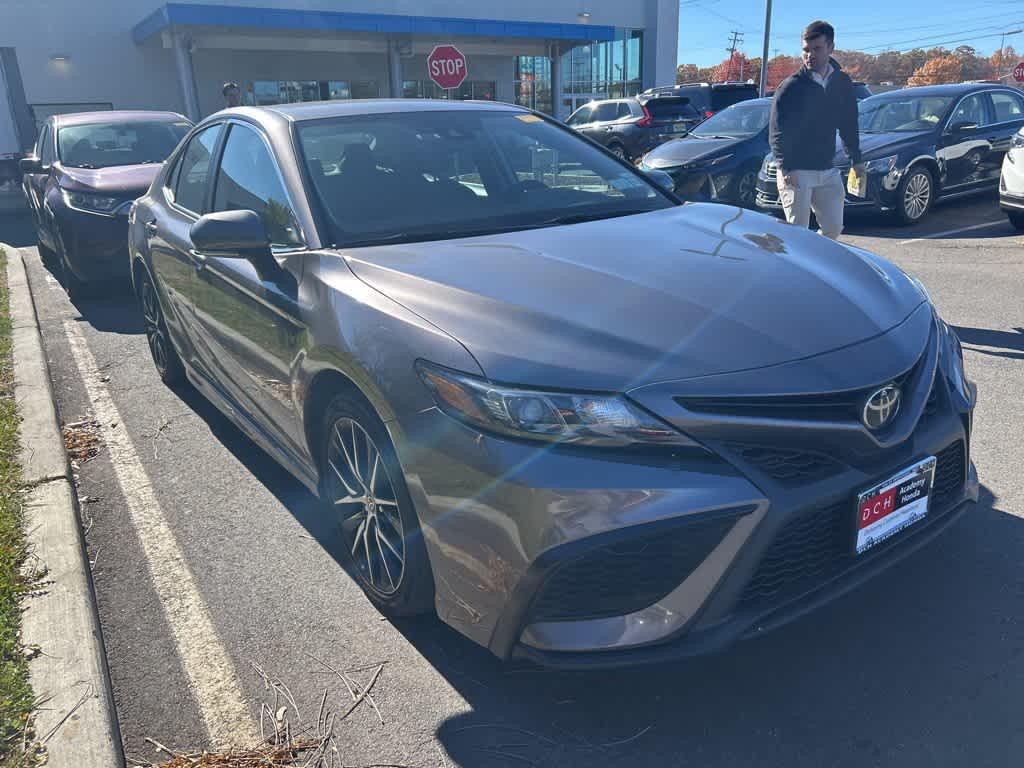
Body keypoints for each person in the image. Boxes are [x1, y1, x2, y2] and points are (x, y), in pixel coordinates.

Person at [769, 20, 863, 240]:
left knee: (833, 228)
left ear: (830, 47)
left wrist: (856, 159)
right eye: (805, 50)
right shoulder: (791, 87)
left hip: (827, 170)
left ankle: (812, 261)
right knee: (798, 235)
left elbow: (849, 123)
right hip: (797, 171)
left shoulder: (842, 82)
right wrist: (786, 166)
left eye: (816, 49)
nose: (810, 55)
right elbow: (777, 131)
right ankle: (794, 271)